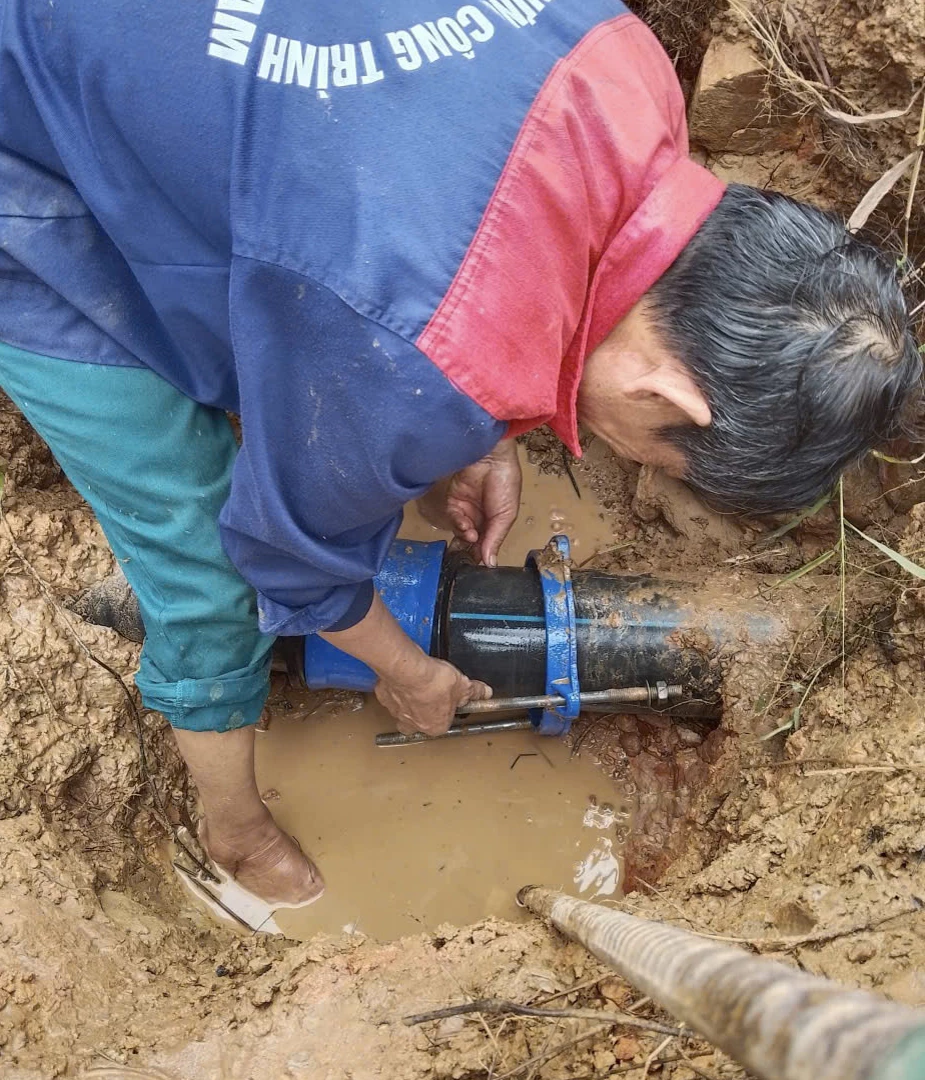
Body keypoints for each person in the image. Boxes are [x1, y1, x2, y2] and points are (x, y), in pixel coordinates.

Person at [0, 1, 919, 907]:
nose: (637, 469)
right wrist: (408, 670)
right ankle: (233, 829)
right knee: (205, 562)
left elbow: (432, 249)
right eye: (659, 457)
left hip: (157, 68)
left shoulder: (624, 64)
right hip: (32, 172)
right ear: (665, 395)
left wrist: (475, 420)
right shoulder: (413, 356)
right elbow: (283, 557)